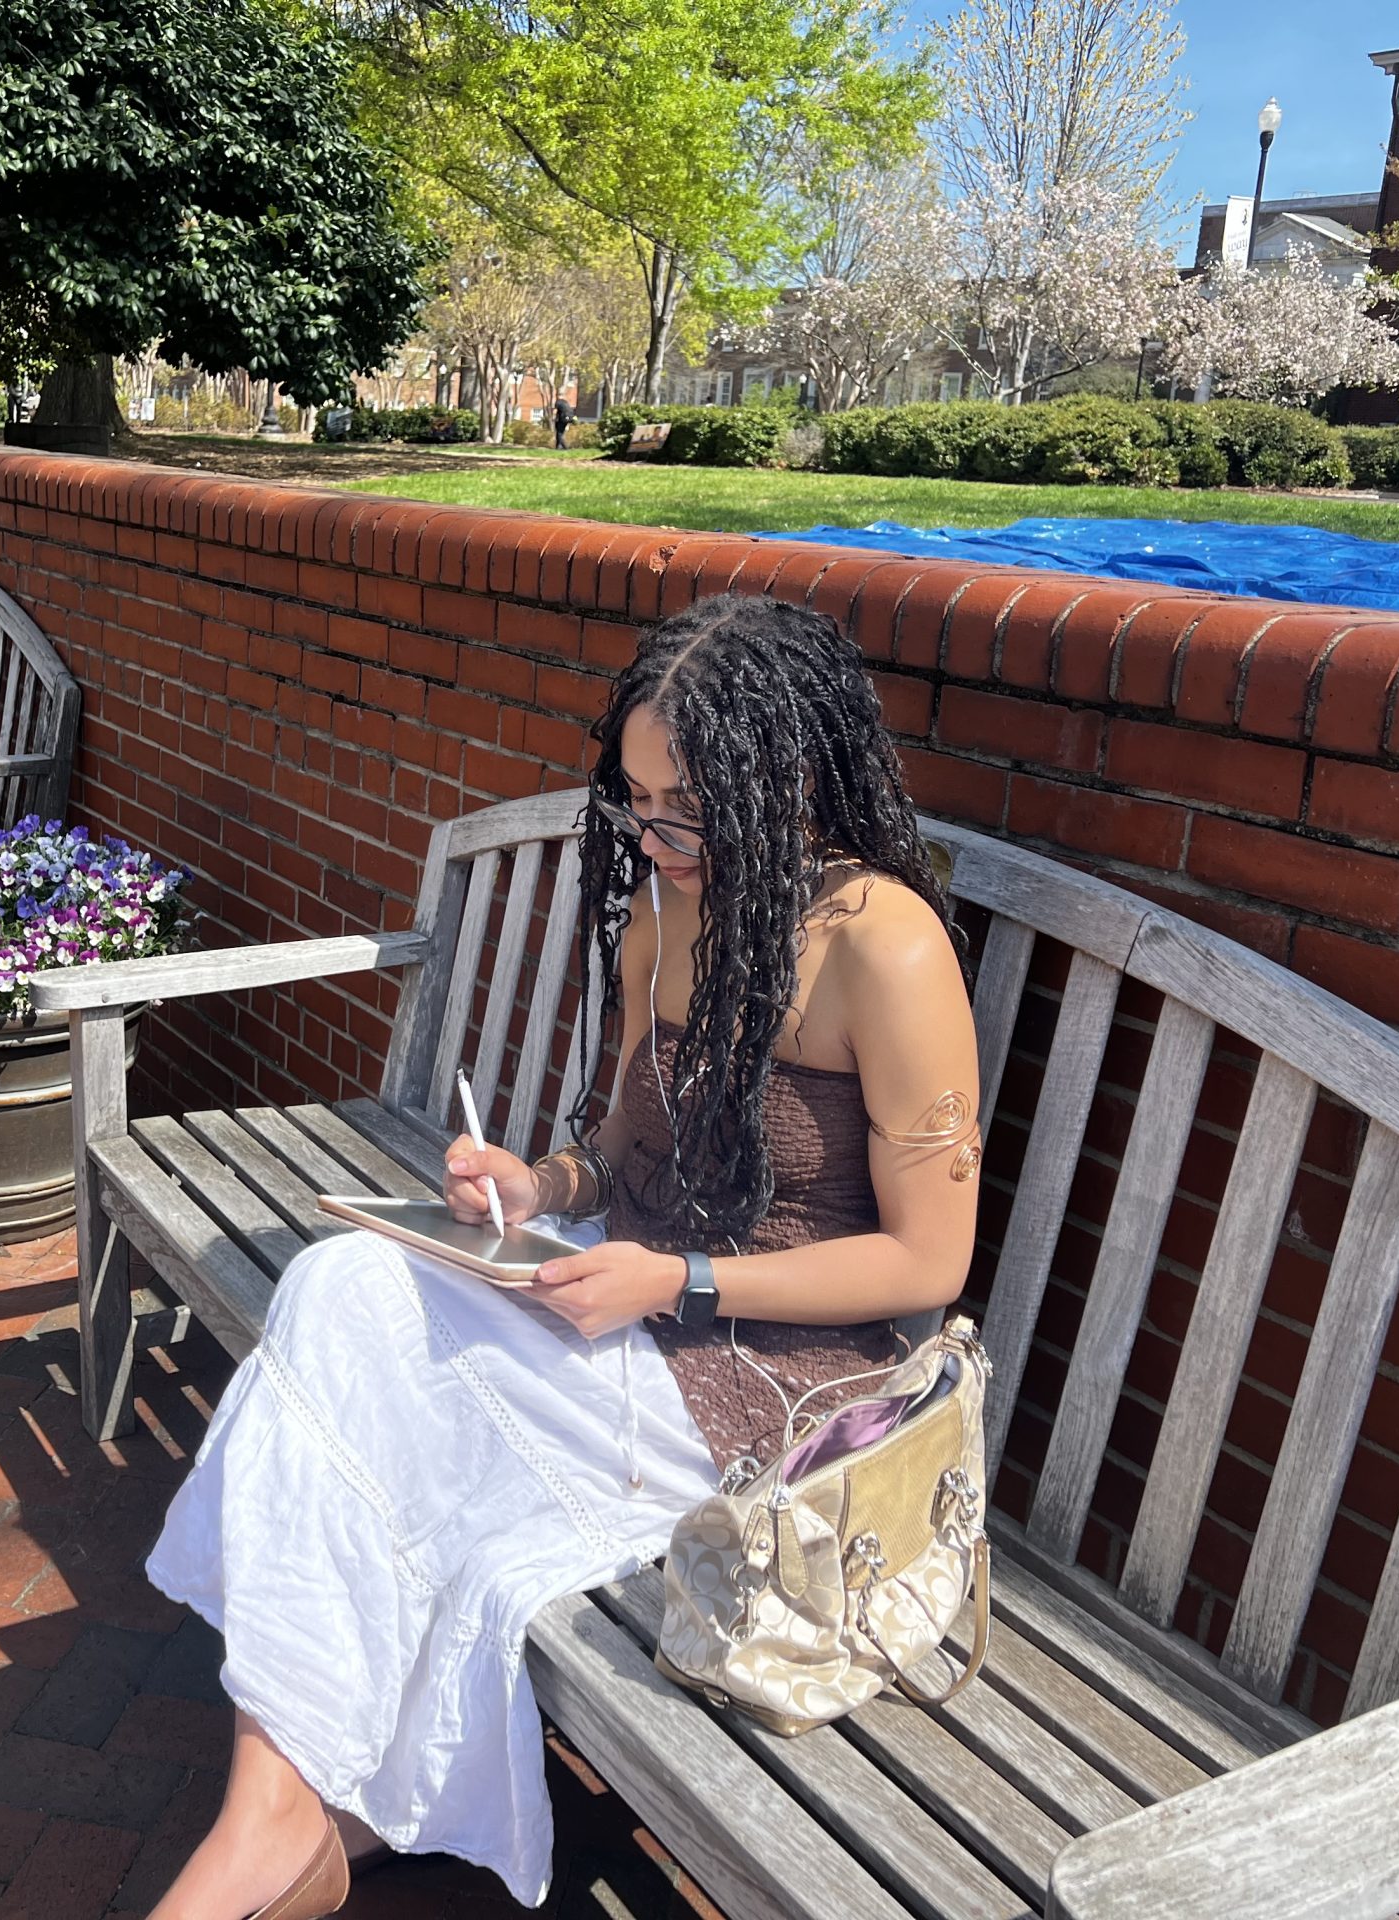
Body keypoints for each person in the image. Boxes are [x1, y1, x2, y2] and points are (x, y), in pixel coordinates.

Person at [143, 594, 983, 1920]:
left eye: (691, 807)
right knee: (345, 1286)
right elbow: (618, 1150)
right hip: (625, 1304)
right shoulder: (666, 909)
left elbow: (930, 1263)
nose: (661, 839)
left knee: (401, 1429)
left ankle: (287, 1833)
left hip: (775, 1385)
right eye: (640, 805)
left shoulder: (886, 946)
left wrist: (685, 1282)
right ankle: (276, 1812)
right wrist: (538, 1184)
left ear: (796, 775)